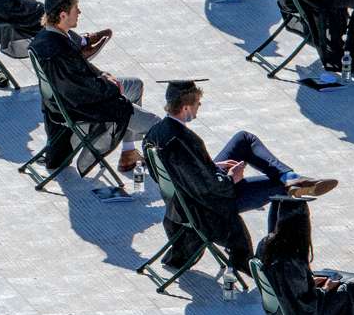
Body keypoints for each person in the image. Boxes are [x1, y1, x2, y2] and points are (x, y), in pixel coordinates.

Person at [141, 77, 334, 268]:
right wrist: (231, 178)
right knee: (279, 189)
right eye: (197, 103)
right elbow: (209, 188)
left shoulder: (156, 132)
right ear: (185, 108)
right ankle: (272, 256)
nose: (199, 106)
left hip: (185, 195)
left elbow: (184, 172)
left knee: (244, 139)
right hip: (207, 206)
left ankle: (290, 177)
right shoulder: (185, 141)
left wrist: (214, 168)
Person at [30, 0, 153, 176]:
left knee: (135, 85)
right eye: (75, 9)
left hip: (69, 100)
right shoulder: (58, 50)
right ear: (63, 15)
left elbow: (80, 71)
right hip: (83, 108)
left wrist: (103, 74)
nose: (79, 12)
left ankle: (128, 152)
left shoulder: (48, 37)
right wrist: (112, 85)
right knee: (156, 125)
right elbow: (81, 91)